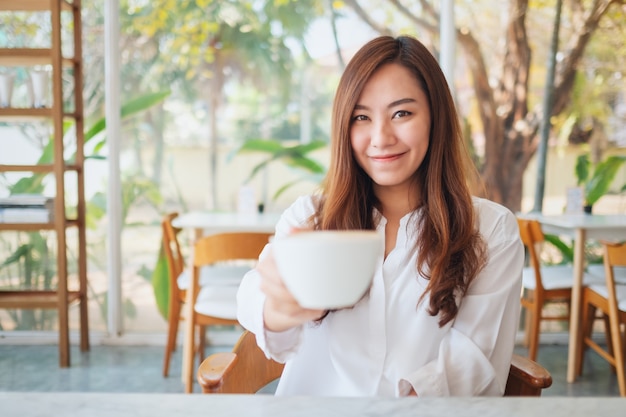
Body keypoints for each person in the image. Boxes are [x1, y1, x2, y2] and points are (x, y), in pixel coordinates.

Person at [236, 35, 523, 397]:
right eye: (361, 117)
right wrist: (278, 308)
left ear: (437, 117)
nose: (380, 137)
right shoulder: (312, 218)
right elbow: (255, 298)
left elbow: (474, 364)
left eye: (402, 113)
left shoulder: (490, 231)